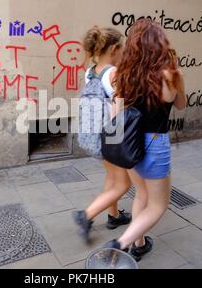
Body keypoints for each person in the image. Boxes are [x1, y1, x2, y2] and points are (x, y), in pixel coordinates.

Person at [103, 19, 186, 261]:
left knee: (141, 195)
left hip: (129, 144)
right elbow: (180, 105)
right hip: (155, 144)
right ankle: (122, 243)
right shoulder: (169, 74)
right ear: (160, 43)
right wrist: (178, 77)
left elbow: (115, 115)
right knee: (158, 205)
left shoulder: (122, 74)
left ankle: (140, 244)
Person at [73, 26, 133, 240]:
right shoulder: (114, 74)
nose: (124, 53)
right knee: (124, 183)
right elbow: (120, 109)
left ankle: (114, 215)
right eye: (123, 49)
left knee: (112, 177)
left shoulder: (90, 72)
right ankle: (86, 215)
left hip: (94, 136)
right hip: (111, 137)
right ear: (115, 48)